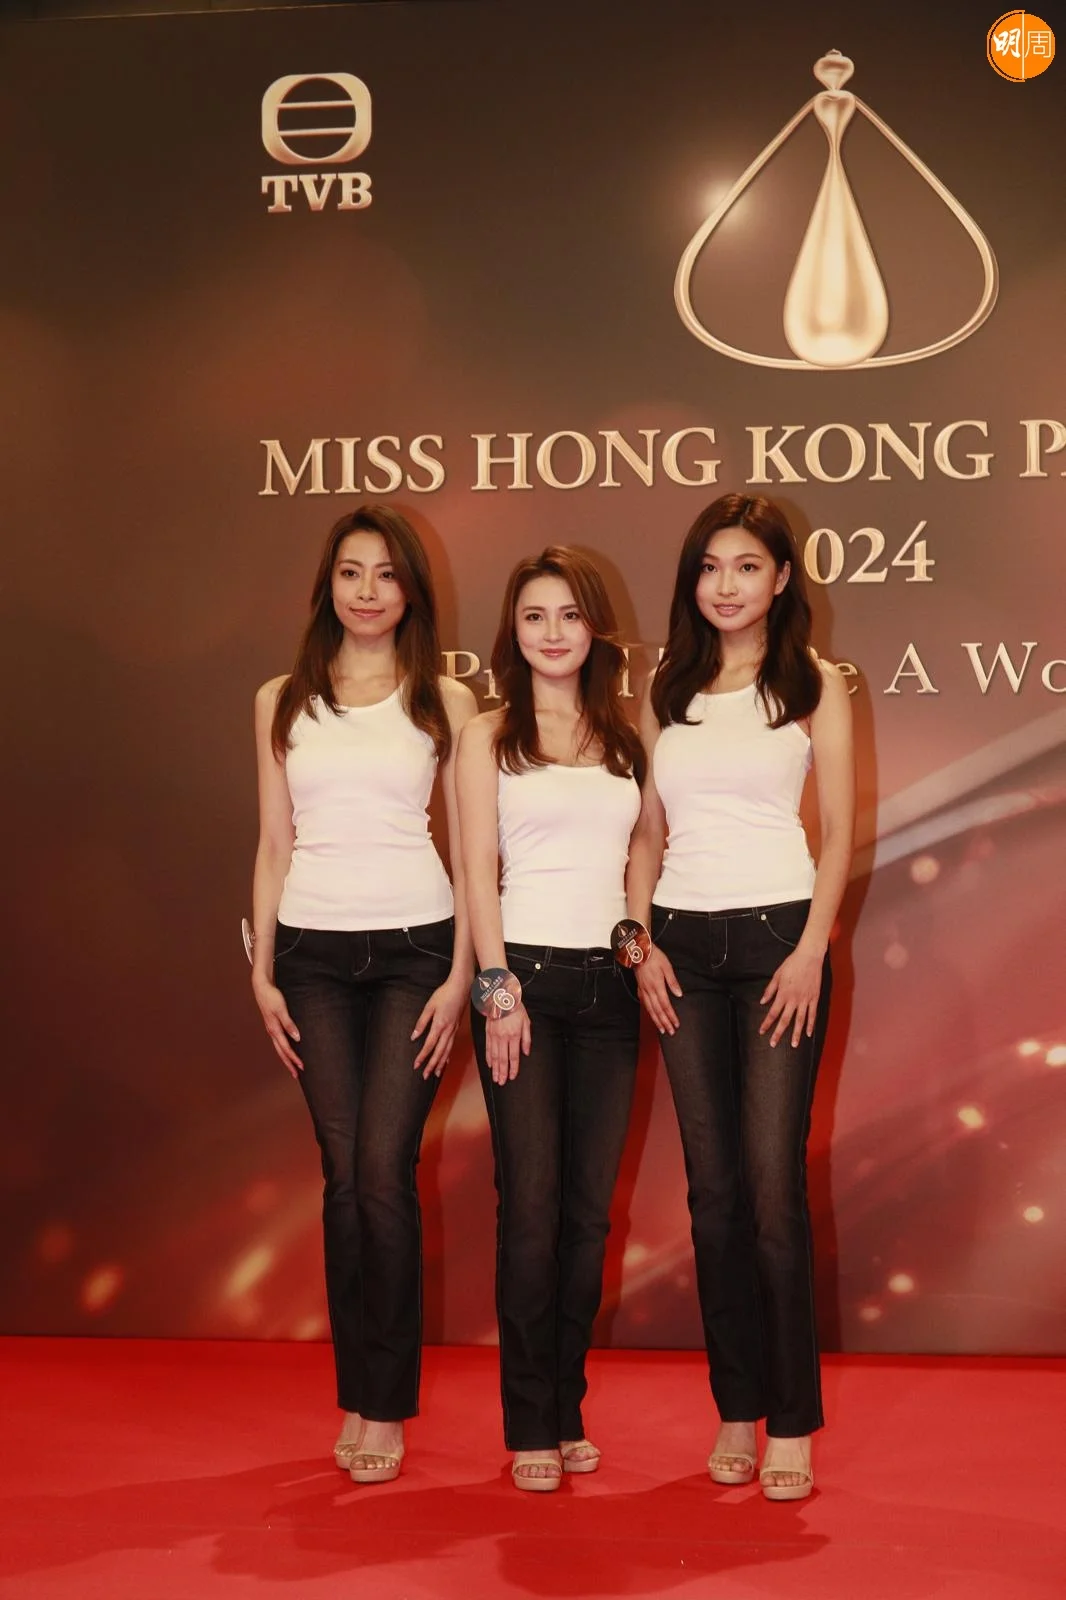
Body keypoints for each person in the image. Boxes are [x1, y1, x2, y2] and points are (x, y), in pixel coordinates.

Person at [627, 493, 855, 1501]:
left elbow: (839, 833)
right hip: (679, 947)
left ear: (781, 579)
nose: (726, 585)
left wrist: (809, 951)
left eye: (747, 566)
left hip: (777, 946)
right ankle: (735, 1407)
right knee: (712, 1196)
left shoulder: (814, 685)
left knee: (770, 1189)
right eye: (710, 566)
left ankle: (791, 1422)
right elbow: (643, 834)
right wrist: (637, 944)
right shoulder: (665, 689)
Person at [250, 505, 476, 1485]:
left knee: (383, 1170)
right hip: (309, 956)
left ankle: (384, 1408)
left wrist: (462, 974)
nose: (369, 591)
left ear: (411, 589)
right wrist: (261, 970)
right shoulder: (279, 700)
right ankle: (359, 1393)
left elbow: (471, 851)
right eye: (352, 572)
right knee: (343, 1178)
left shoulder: (446, 699)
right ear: (328, 585)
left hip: (416, 953)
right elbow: (273, 844)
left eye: (386, 573)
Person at [457, 547, 645, 1493]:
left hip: (610, 994)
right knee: (529, 1210)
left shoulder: (626, 737)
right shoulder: (487, 736)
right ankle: (529, 1420)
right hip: (521, 986)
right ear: (514, 631)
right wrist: (496, 988)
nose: (554, 632)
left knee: (586, 1217)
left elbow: (642, 859)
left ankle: (566, 1406)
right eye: (535, 616)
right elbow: (475, 868)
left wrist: (638, 955)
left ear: (595, 626)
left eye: (570, 614)